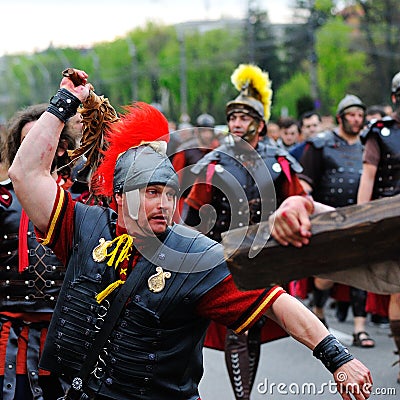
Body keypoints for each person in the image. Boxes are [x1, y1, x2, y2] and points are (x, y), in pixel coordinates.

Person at [8, 68, 372, 400]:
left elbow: (276, 301)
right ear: (119, 196)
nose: (164, 204)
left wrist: (337, 358)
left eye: (169, 193)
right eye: (150, 192)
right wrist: (65, 99)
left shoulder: (197, 257)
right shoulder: (83, 226)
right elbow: (26, 172)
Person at [183, 64, 357, 400]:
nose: (235, 123)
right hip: (224, 257)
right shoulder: (214, 162)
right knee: (237, 328)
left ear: (259, 124)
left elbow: (300, 202)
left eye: (243, 118)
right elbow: (193, 216)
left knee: (255, 327)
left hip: (267, 255)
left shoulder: (280, 159)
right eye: (231, 117)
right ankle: (243, 397)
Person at [0, 103, 80, 399]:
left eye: (41, 141)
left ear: (61, 148)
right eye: (26, 143)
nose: (32, 149)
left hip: (69, 334)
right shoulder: (2, 199)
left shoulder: (83, 201)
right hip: (9, 334)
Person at [298, 94, 374, 348]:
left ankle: (359, 328)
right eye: (352, 115)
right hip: (327, 218)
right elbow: (305, 184)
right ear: (341, 117)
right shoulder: (321, 144)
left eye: (360, 115)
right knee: (326, 276)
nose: (357, 119)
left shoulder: (369, 144)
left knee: (359, 272)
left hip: (360, 217)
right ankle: (319, 307)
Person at [357, 71, 400, 384]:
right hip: (391, 222)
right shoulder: (380, 133)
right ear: (395, 99)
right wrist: (360, 221)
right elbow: (368, 178)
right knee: (399, 292)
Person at [171, 113, 219, 222]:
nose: (207, 135)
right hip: (187, 202)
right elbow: (175, 179)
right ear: (197, 132)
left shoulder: (218, 150)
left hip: (212, 204)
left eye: (209, 131)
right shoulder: (185, 151)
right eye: (204, 131)